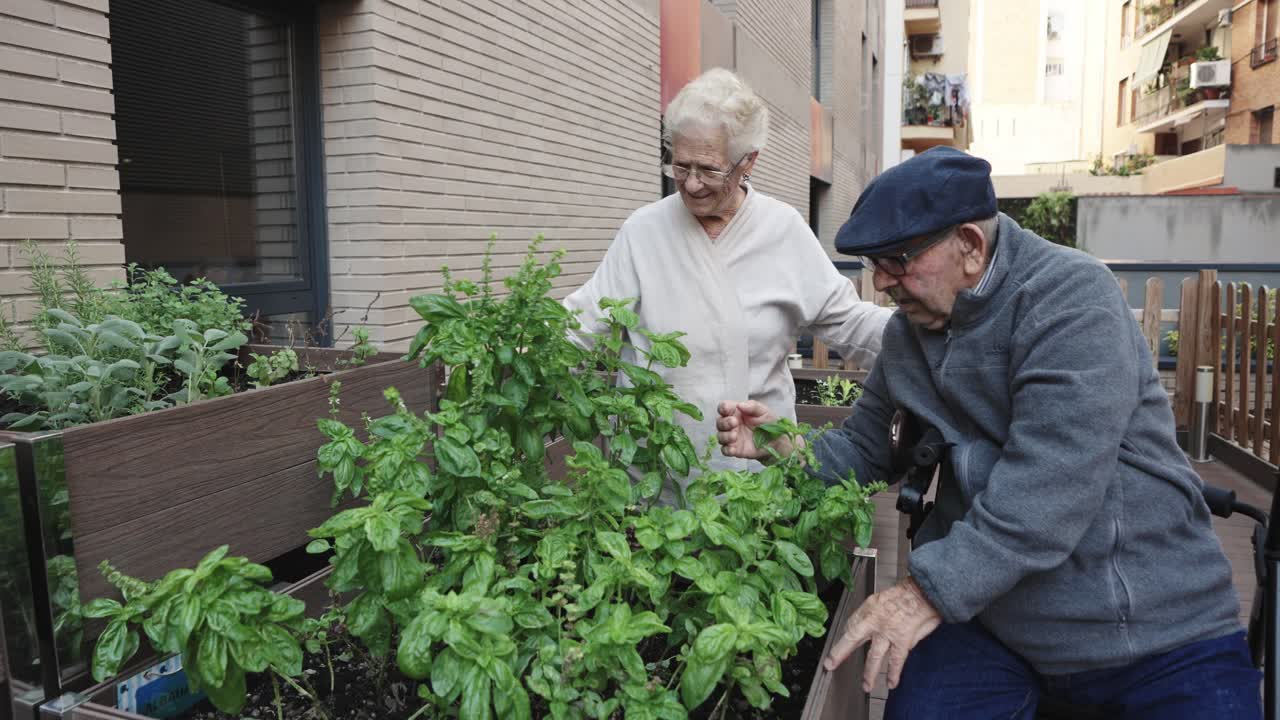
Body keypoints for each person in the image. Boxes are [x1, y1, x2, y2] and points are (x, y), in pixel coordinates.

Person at [715, 147, 1260, 719]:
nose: (880, 284)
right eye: (874, 264)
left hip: (1151, 627)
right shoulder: (910, 334)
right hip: (996, 621)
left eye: (896, 261)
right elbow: (867, 447)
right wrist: (784, 446)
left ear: (971, 246)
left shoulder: (1071, 300)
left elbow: (1049, 490)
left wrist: (924, 593)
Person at [564, 68, 891, 481]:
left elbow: (850, 322)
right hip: (653, 477)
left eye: (709, 170)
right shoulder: (643, 231)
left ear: (748, 161)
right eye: (680, 167)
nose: (692, 184)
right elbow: (580, 324)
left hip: (757, 478)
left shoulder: (782, 230)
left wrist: (932, 331)